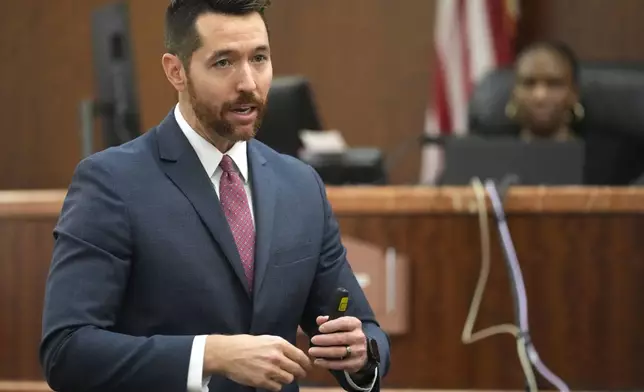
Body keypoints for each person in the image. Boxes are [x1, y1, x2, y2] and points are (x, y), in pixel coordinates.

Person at [39, 0, 389, 391]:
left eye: (259, 58)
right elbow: (66, 351)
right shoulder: (111, 182)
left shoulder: (301, 184)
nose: (248, 83)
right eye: (223, 62)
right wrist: (210, 354)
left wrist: (360, 354)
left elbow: (365, 328)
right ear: (176, 71)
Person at [505, 40, 584, 142]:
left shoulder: (602, 156)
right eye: (529, 83)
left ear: (574, 93)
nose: (540, 96)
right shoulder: (491, 156)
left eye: (554, 84)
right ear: (514, 92)